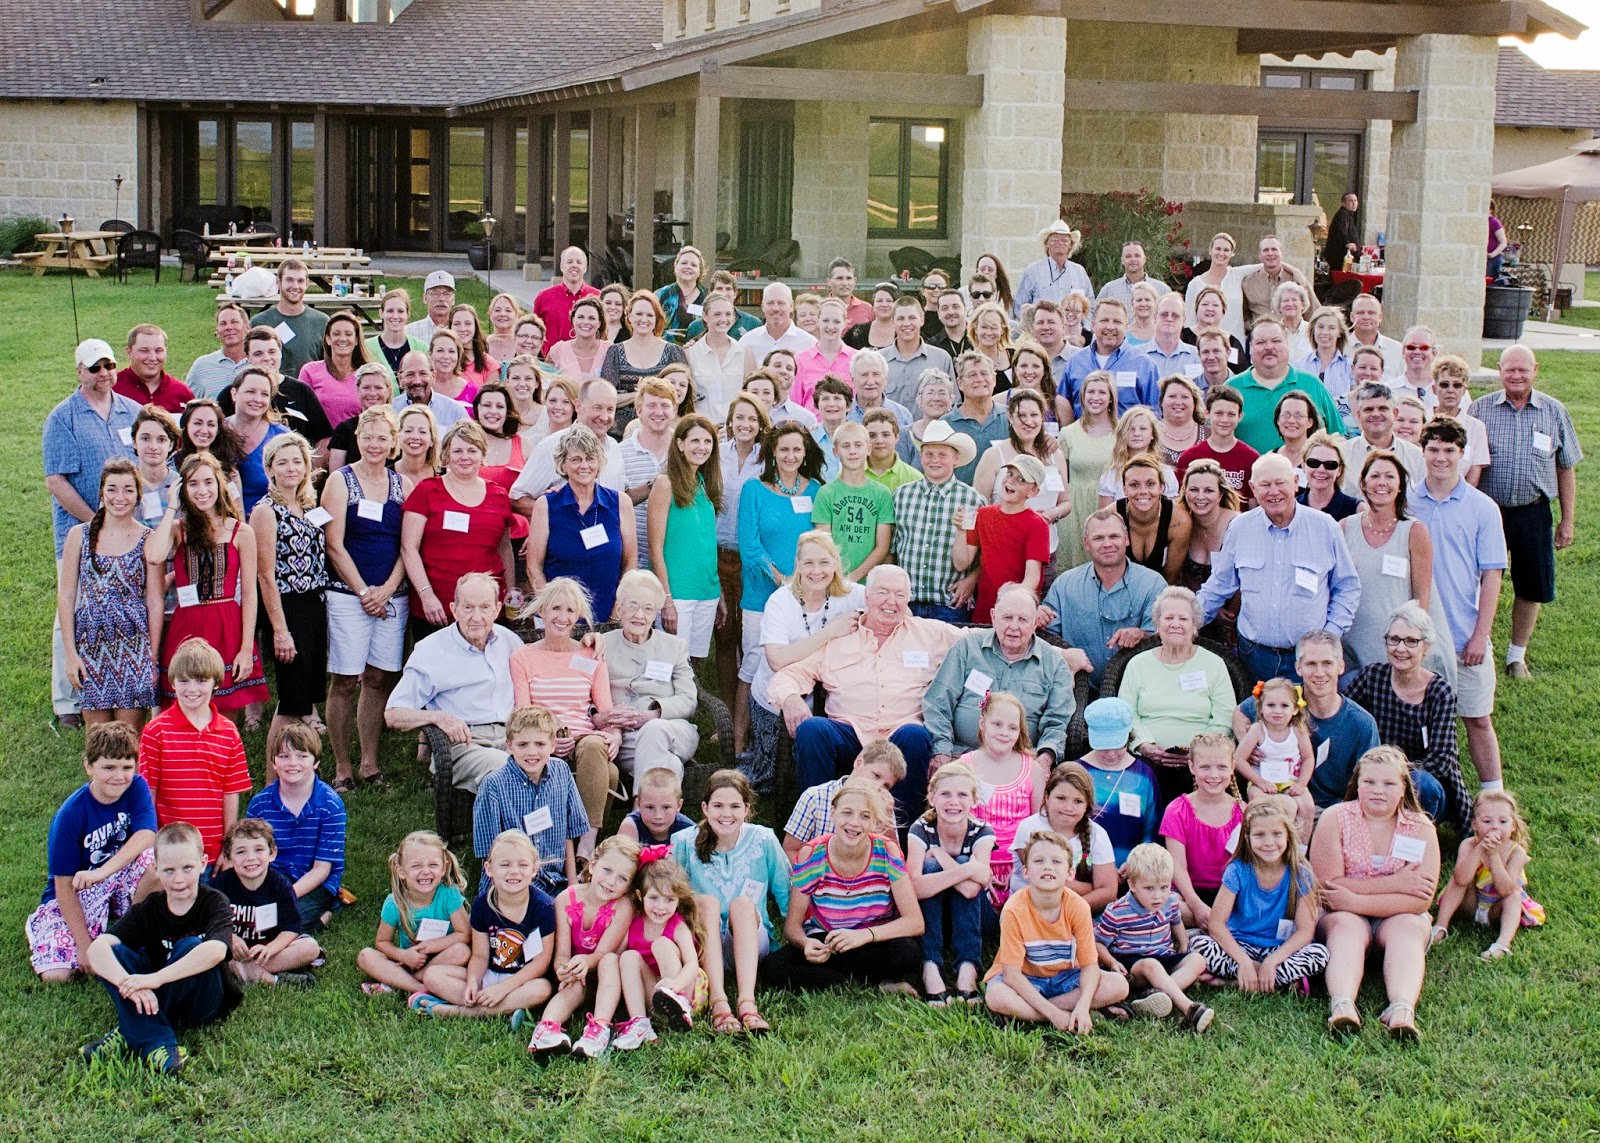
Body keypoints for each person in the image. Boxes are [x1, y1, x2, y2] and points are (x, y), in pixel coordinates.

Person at [771, 564, 962, 825]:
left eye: (899, 595)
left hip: (901, 736)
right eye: (883, 593)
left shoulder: (930, 634)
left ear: (908, 599)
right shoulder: (840, 636)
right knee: (813, 730)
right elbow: (790, 674)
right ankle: (820, 828)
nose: (891, 602)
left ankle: (901, 839)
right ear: (867, 597)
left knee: (916, 735)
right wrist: (791, 698)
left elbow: (976, 642)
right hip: (850, 734)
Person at [82, 822, 241, 1073]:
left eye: (187, 868)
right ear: (155, 869)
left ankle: (130, 1031)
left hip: (202, 1001)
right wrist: (131, 984)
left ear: (203, 863)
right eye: (168, 870)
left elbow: (217, 951)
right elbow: (96, 950)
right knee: (113, 952)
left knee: (191, 946)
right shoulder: (150, 907)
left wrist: (154, 979)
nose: (178, 879)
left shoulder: (214, 902)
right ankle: (155, 1041)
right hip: (153, 995)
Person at [1196, 453, 1360, 685]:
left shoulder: (1325, 527)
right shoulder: (1240, 528)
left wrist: (1329, 637)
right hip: (1252, 657)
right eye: (1265, 485)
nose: (1273, 492)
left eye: (1280, 483)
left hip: (1308, 661)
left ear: (1295, 482)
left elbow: (1347, 588)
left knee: (1307, 721)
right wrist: (1185, 621)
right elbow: (1218, 586)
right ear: (1253, 488)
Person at [1409, 418, 1510, 793]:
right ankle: (1429, 794)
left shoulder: (1482, 508)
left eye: (1449, 450)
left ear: (1463, 455)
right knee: (1420, 722)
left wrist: (1480, 636)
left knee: (1477, 718)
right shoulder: (1407, 502)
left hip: (1464, 633)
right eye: (1433, 449)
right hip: (1419, 636)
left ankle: (1493, 795)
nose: (1441, 458)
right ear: (1422, 452)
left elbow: (1492, 575)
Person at [1468, 345, 1581, 678]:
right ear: (1500, 370)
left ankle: (1516, 655)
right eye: (1509, 370)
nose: (1516, 376)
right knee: (1480, 581)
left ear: (1535, 369)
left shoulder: (1554, 411)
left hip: (1533, 513)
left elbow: (1566, 468)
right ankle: (1480, 645)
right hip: (1489, 513)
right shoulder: (1480, 409)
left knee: (1531, 584)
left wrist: (1567, 521)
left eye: (1523, 370)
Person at [1311, 746, 1439, 1041]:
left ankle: (1402, 1008)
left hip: (1398, 915)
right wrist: (1396, 882)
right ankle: (1343, 1005)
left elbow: (1420, 898)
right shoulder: (1335, 818)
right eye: (1369, 782)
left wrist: (1355, 897)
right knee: (1346, 927)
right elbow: (1328, 885)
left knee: (1408, 927)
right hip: (1343, 914)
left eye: (1388, 783)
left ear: (1404, 787)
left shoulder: (1420, 828)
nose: (1377, 791)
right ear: (1357, 783)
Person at [46, 338, 142, 724]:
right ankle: (69, 697)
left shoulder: (131, 411)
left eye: (108, 366)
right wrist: (95, 525)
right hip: (79, 530)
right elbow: (57, 480)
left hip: (127, 531)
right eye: (94, 367)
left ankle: (122, 684)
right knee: (71, 608)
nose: (103, 374)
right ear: (79, 372)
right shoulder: (63, 417)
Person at [763, 778, 924, 993]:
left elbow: (915, 922)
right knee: (773, 966)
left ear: (875, 823)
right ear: (833, 813)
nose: (854, 823)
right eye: (847, 812)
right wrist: (806, 944)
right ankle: (873, 985)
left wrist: (863, 935)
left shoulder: (887, 851)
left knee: (907, 952)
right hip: (828, 940)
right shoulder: (811, 854)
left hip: (872, 940)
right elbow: (792, 927)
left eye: (865, 816)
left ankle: (839, 980)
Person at [27, 723, 156, 983]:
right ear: (89, 765)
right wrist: (84, 946)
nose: (118, 776)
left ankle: (127, 932)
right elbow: (63, 885)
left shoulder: (137, 787)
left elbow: (147, 835)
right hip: (79, 889)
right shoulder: (70, 815)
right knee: (57, 976)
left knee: (155, 867)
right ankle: (43, 928)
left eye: (126, 767)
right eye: (109, 767)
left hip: (112, 875)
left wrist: (103, 872)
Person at [147, 455, 269, 713]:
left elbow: (249, 595)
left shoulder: (240, 532)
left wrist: (246, 648)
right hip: (187, 625)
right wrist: (171, 507)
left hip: (227, 624)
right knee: (183, 708)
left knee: (225, 712)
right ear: (183, 489)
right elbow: (155, 556)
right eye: (193, 484)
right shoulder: (179, 530)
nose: (202, 491)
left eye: (208, 482)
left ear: (219, 485)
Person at [668, 771, 786, 1035]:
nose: (726, 814)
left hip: (749, 941)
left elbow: (786, 893)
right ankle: (718, 1002)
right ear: (705, 808)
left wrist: (803, 937)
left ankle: (747, 1002)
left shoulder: (764, 839)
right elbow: (669, 897)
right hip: (702, 943)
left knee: (743, 905)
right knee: (706, 903)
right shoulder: (683, 842)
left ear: (747, 809)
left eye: (735, 806)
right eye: (718, 806)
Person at [509, 578, 620, 855]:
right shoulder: (522, 656)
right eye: (556, 608)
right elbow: (523, 710)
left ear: (578, 615)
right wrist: (551, 732)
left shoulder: (591, 654)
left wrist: (615, 734)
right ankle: (575, 844)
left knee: (595, 745)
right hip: (540, 738)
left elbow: (605, 711)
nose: (562, 617)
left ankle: (586, 843)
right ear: (542, 612)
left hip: (584, 737)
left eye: (570, 611)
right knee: (611, 775)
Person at [384, 573, 519, 795]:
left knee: (550, 769)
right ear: (454, 609)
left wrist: (593, 643)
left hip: (512, 737)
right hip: (465, 743)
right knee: (509, 770)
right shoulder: (431, 650)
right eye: (468, 608)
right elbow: (393, 714)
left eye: (484, 607)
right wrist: (439, 717)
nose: (477, 617)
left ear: (497, 609)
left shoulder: (508, 641)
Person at [983, 830, 1127, 1033]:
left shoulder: (1078, 906)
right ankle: (1060, 1015)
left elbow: (1089, 965)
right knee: (996, 996)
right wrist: (1053, 1014)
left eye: (1056, 862)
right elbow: (1012, 976)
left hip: (1066, 977)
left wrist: (1084, 1005)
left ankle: (1032, 1014)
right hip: (1027, 979)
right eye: (1039, 861)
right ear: (1026, 871)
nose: (1047, 866)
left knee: (1118, 985)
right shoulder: (1013, 909)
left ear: (1070, 873)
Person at [1345, 604, 1469, 831]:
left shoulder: (1438, 692)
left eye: (1411, 641)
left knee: (1423, 785)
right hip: (1373, 774)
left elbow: (1443, 760)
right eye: (1394, 639)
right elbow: (1342, 715)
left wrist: (1394, 775)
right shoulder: (1372, 677)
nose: (1401, 648)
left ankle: (1413, 839)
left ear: (1426, 648)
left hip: (1417, 776)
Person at [57, 458, 162, 728]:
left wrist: (151, 657)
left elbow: (154, 600)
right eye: (112, 488)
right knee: (99, 739)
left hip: (134, 645)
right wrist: (71, 654)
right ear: (102, 492)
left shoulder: (148, 538)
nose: (120, 497)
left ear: (138, 495)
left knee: (129, 739)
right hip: (91, 645)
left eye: (128, 489)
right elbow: (67, 596)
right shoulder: (78, 535)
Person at [1189, 799, 1327, 998]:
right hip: (1240, 946)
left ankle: (1237, 981)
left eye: (1277, 834)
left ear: (1288, 835)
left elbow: (1305, 931)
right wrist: (1244, 961)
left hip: (1280, 949)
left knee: (1319, 955)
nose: (1269, 842)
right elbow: (1217, 924)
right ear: (1247, 837)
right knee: (1199, 945)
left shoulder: (1301, 872)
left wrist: (1272, 962)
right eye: (1259, 835)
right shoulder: (1237, 870)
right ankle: (1272, 981)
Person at [416, 829, 557, 1020]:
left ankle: (460, 1012)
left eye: (523, 865)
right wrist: (473, 981)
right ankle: (506, 1009)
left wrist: (503, 989)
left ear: (534, 869)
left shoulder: (544, 907)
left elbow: (541, 961)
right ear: (489, 868)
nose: (514, 871)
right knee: (432, 975)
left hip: (522, 980)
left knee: (543, 989)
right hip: (489, 975)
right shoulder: (483, 904)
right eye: (505, 864)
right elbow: (480, 955)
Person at [1340, 448, 1453, 684]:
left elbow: (1422, 597)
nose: (1382, 483)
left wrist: (1410, 644)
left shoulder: (1414, 531)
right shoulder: (1343, 528)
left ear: (1401, 485)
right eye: (1375, 476)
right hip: (1353, 648)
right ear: (1363, 484)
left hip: (1398, 648)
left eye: (1390, 476)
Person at [138, 637, 252, 867]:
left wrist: (228, 847)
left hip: (211, 855)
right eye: (183, 681)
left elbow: (230, 794)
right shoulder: (155, 731)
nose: (191, 689)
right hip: (169, 853)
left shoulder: (228, 732)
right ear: (172, 682)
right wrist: (150, 849)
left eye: (201, 681)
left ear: (215, 683)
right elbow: (147, 793)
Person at [524, 835, 640, 1058]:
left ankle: (599, 1028)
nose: (611, 882)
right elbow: (562, 954)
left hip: (607, 979)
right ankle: (546, 1030)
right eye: (607, 870)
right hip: (578, 976)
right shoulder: (566, 899)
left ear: (628, 886)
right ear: (593, 864)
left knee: (608, 961)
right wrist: (564, 969)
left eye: (622, 878)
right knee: (574, 983)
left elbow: (603, 952)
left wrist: (585, 962)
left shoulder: (623, 907)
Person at [401, 420, 518, 638]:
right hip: (438, 606)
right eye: (457, 450)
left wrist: (510, 591)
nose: (465, 457)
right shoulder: (427, 491)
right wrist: (426, 595)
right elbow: (408, 547)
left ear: (482, 454)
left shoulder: (499, 495)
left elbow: (505, 549)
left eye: (472, 450)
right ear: (445, 455)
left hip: (486, 607)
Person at [1118, 587, 1236, 802]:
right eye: (1168, 617)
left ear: (1195, 627)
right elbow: (1126, 714)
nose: (1175, 624)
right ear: (1157, 624)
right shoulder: (1138, 664)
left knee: (1196, 777)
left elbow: (1225, 718)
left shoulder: (1213, 664)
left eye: (1183, 618)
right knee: (1142, 782)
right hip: (1148, 757)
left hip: (1201, 760)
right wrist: (1146, 746)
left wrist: (1199, 751)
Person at [248, 432, 328, 742]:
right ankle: (270, 783)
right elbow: (265, 577)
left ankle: (296, 766)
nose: (291, 468)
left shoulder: (309, 505)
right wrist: (280, 631)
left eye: (297, 461)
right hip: (287, 608)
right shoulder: (266, 511)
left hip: (313, 606)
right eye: (283, 462)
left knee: (302, 698)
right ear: (269, 469)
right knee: (291, 704)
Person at [1093, 843, 1215, 1031]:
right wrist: (1111, 963)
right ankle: (1189, 1009)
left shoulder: (1170, 901)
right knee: (1151, 964)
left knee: (1198, 960)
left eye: (1164, 887)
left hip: (1163, 957)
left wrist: (1183, 943)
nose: (1158, 896)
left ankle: (1159, 996)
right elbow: (1098, 943)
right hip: (1133, 965)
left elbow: (1176, 921)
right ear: (1132, 885)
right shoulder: (1117, 911)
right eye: (1149, 888)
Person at [596, 570, 702, 783]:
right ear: (619, 608)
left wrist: (651, 716)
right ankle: (646, 810)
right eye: (633, 605)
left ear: (655, 614)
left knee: (654, 730)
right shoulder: (602, 645)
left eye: (648, 608)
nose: (639, 615)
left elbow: (689, 700)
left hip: (673, 729)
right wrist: (600, 717)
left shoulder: (675, 646)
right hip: (627, 738)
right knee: (668, 764)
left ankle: (638, 811)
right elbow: (585, 694)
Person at [1040, 508, 1164, 688]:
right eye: (1098, 538)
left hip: (1138, 687)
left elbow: (1164, 639)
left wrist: (1142, 634)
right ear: (1086, 544)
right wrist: (1037, 618)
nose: (1107, 544)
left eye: (1114, 536)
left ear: (1126, 539)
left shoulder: (1152, 584)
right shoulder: (1065, 584)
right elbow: (1048, 638)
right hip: (1078, 688)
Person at [470, 705, 587, 894]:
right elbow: (489, 853)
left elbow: (568, 834)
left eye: (540, 744)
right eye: (523, 745)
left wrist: (572, 887)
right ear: (509, 746)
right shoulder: (493, 785)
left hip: (556, 882)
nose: (532, 752)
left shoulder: (561, 772)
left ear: (553, 745)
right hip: (511, 886)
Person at [525, 424, 636, 624]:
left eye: (590, 458)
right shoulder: (546, 506)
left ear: (599, 462)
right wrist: (552, 612)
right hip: (560, 619)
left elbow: (630, 563)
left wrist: (617, 611)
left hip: (610, 614)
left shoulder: (620, 503)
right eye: (576, 459)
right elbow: (533, 566)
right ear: (563, 465)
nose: (584, 466)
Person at [245, 722, 347, 931]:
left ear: (316, 761)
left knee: (288, 921)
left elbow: (322, 869)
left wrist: (287, 895)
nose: (292, 763)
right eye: (284, 756)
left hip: (316, 880)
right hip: (272, 876)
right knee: (250, 920)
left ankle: (323, 915)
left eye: (302, 756)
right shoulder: (260, 804)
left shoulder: (331, 805)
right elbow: (250, 853)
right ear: (274, 762)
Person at [906, 762, 993, 1005]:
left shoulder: (982, 831)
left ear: (974, 801)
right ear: (932, 798)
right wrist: (967, 869)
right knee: (932, 866)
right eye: (945, 794)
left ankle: (968, 966)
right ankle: (930, 965)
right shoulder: (921, 828)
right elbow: (913, 887)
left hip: (976, 915)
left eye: (962, 794)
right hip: (934, 914)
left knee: (948, 863)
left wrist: (940, 854)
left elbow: (970, 890)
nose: (953, 802)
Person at [1431, 789, 1544, 960]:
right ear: (1474, 824)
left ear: (1513, 826)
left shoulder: (1516, 852)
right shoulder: (1468, 845)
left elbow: (1506, 889)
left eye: (1502, 821)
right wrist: (1480, 849)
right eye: (1486, 821)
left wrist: (1493, 856)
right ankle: (1440, 927)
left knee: (1514, 898)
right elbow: (1461, 878)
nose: (1495, 826)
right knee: (1456, 880)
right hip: (1470, 904)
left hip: (1496, 909)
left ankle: (1502, 944)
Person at [354, 830, 470, 997]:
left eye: (433, 865)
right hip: (408, 961)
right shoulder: (394, 903)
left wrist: (431, 946)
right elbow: (382, 942)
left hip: (443, 959)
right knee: (365, 956)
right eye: (416, 866)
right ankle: (421, 989)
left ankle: (405, 982)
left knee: (462, 951)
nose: (425, 871)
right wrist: (404, 955)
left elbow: (464, 934)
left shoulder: (449, 895)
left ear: (443, 868)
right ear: (401, 871)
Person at [957, 691, 1047, 906]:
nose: (1004, 733)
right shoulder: (964, 766)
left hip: (1019, 866)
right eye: (997, 724)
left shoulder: (1032, 769)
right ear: (982, 723)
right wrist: (978, 866)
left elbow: (1039, 825)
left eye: (1012, 727)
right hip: (977, 861)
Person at [646, 415, 724, 661]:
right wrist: (666, 599)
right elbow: (655, 548)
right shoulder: (665, 484)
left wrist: (718, 592)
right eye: (695, 441)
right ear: (680, 444)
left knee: (696, 663)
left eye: (707, 442)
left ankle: (691, 703)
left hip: (707, 590)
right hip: (677, 593)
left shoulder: (705, 485)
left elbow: (707, 545)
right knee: (670, 663)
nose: (702, 447)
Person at [211, 818, 321, 988]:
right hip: (234, 952)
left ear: (272, 853)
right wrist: (230, 937)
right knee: (209, 950)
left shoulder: (281, 886)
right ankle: (274, 981)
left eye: (258, 849)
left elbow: (291, 928)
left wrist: (271, 948)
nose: (250, 858)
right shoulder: (221, 885)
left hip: (268, 951)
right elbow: (208, 921)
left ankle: (246, 971)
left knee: (310, 947)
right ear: (228, 857)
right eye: (241, 852)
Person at [612, 851, 708, 1043]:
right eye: (654, 898)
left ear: (679, 900)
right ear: (640, 896)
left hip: (686, 988)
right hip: (656, 994)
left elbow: (691, 964)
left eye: (669, 899)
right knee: (628, 957)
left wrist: (677, 984)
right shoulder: (634, 922)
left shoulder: (677, 926)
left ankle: (679, 1004)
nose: (661, 907)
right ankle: (640, 1023)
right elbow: (618, 958)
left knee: (662, 944)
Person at [1158, 733, 1243, 929]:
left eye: (1221, 767)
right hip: (1188, 895)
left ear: (1232, 766)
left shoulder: (1244, 813)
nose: (1214, 775)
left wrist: (1223, 907)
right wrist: (1196, 906)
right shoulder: (1177, 810)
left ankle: (1216, 926)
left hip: (1228, 894)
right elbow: (1177, 867)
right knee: (1165, 905)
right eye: (1205, 767)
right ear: (1192, 767)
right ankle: (1212, 926)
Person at [952, 455, 1050, 624]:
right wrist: (961, 530)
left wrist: (1012, 606)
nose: (1011, 481)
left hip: (1015, 617)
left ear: (1033, 492)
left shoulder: (1037, 524)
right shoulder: (983, 514)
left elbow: (1031, 579)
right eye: (1010, 474)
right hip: (983, 612)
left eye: (1021, 480)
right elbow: (961, 563)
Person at [1006, 762, 1116, 910]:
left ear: (1087, 805)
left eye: (1078, 801)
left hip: (1075, 911)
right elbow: (1045, 880)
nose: (1068, 808)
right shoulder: (1030, 828)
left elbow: (1108, 892)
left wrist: (1068, 911)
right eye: (1061, 798)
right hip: (1028, 910)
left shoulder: (1097, 834)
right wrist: (1090, 887)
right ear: (1047, 797)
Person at [1230, 318, 1343, 453]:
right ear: (1249, 348)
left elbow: (1338, 437)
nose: (1269, 347)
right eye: (1260, 342)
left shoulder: (1312, 385)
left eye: (1276, 341)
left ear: (1287, 344)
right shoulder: (1232, 389)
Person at [1075, 697, 1160, 866]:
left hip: (1133, 871)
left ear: (1129, 737)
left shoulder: (1144, 775)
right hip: (1082, 869)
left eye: (1117, 746)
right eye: (1103, 747)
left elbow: (1152, 831)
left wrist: (1135, 864)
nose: (1111, 754)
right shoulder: (1075, 773)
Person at [1165, 460, 1241, 644]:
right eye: (1194, 490)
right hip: (1195, 613)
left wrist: (1232, 609)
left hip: (1234, 618)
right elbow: (1175, 576)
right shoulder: (1181, 524)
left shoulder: (1236, 524)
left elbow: (1248, 576)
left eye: (1208, 490)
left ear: (1220, 494)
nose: (1200, 497)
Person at [1234, 677, 1316, 843]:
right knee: (1260, 803)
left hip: (1290, 780)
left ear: (1295, 709)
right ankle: (1258, 844)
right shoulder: (1258, 730)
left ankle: (1300, 850)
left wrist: (1301, 783)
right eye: (1271, 705)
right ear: (1261, 708)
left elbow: (1308, 758)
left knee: (1307, 806)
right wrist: (1259, 781)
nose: (1277, 711)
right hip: (1261, 780)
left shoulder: (1298, 731)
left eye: (1284, 706)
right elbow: (1239, 759)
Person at [812, 422, 895, 582]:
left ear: (868, 449)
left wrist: (854, 577)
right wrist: (837, 577)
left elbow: (882, 546)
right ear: (835, 451)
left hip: (868, 583)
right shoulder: (826, 493)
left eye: (858, 445)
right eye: (845, 446)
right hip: (833, 579)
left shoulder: (881, 493)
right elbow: (823, 541)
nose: (852, 451)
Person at [1056, 371, 1117, 569]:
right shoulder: (1068, 433)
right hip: (1074, 510)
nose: (1095, 398)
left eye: (1102, 392)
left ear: (1110, 399)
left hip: (1109, 506)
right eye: (1090, 392)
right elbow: (1059, 474)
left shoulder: (1122, 432)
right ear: (1082, 396)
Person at [603, 291, 687, 433]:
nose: (644, 319)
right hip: (619, 430)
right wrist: (640, 394)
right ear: (629, 316)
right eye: (639, 314)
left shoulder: (674, 352)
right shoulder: (615, 352)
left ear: (657, 319)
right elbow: (607, 397)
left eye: (649, 315)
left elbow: (683, 394)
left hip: (662, 426)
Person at [1061, 299, 1160, 417]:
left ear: (1126, 326)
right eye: (1104, 320)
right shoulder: (1075, 362)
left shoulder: (1145, 365)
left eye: (1117, 322)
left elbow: (1155, 414)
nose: (1110, 327)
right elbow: (1063, 404)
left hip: (1126, 435)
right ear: (1093, 324)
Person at [617, 378, 676, 565]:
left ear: (674, 410)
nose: (659, 412)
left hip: (676, 559)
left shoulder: (686, 450)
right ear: (639, 411)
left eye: (665, 405)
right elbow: (615, 502)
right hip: (634, 560)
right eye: (651, 405)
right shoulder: (619, 453)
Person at [1340, 383, 1425, 494]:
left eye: (1382, 408)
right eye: (1369, 409)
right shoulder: (1342, 454)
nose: (1375, 414)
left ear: (1395, 413)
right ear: (1359, 415)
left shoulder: (1417, 457)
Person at [249, 259, 327, 379]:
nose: (295, 286)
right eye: (289, 280)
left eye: (300, 281)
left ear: (307, 283)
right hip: (268, 391)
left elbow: (329, 367)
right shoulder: (259, 322)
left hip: (308, 392)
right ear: (278, 282)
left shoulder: (321, 322)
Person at [941, 352, 1010, 485]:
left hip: (1003, 501)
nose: (979, 379)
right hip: (961, 502)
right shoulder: (945, 425)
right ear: (960, 383)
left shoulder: (1011, 418)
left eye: (984, 373)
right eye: (972, 375)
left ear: (994, 379)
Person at [297, 311, 370, 428]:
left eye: (348, 334)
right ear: (328, 339)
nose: (342, 339)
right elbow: (300, 414)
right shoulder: (310, 371)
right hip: (319, 443)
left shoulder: (367, 374)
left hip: (357, 443)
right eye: (336, 334)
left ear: (356, 340)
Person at [882, 295, 954, 410]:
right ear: (892, 322)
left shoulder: (941, 358)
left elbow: (953, 402)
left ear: (922, 320)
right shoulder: (880, 361)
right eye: (900, 318)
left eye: (912, 318)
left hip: (931, 427)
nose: (906, 324)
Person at [326, 364, 400, 472]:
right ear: (358, 389)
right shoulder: (344, 429)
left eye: (378, 388)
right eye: (366, 387)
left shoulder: (399, 428)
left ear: (388, 391)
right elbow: (335, 474)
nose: (372, 393)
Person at [1097, 408, 1178, 505]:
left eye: (1143, 428)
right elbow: (1106, 516)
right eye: (1131, 429)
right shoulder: (1111, 476)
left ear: (1153, 434)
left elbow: (1173, 514)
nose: (1137, 434)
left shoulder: (1166, 473)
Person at [686, 294, 746, 423]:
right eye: (717, 314)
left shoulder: (744, 353)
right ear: (705, 316)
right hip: (702, 428)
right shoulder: (691, 353)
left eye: (728, 314)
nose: (723, 319)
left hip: (734, 429)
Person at [1014, 220, 1093, 316]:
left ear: (1070, 245)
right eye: (1055, 240)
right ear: (1047, 244)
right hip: (1042, 328)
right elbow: (1020, 306)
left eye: (1064, 240)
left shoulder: (1079, 272)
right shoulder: (1032, 271)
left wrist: (1084, 329)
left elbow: (1090, 306)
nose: (1060, 243)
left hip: (1072, 329)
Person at [1428, 356, 1488, 484]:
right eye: (1444, 385)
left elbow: (1474, 477)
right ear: (1434, 389)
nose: (1450, 390)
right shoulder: (1422, 420)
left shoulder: (1476, 428)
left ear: (1464, 390)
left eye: (1457, 385)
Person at [1113, 456, 1176, 573]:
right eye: (1134, 485)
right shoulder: (1112, 517)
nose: (1143, 491)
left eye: (1150, 484)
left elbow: (1172, 576)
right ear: (1124, 490)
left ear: (1161, 487)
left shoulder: (1178, 520)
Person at [113, 324, 193, 414]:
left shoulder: (182, 392)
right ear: (129, 352)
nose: (152, 357)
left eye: (158, 351)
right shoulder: (112, 388)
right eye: (144, 350)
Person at [1240, 236, 1317, 326]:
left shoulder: (1296, 280)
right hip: (1259, 335)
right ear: (1259, 255)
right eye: (1265, 250)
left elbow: (1313, 311)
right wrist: (1249, 325)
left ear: (1282, 252)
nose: (1270, 253)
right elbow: (1242, 312)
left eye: (1274, 249)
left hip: (1289, 335)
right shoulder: (1248, 282)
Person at [1298, 305, 1354, 421]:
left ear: (1339, 333)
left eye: (1331, 328)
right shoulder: (1299, 366)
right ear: (1313, 330)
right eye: (1320, 327)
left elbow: (1356, 400)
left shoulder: (1350, 366)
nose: (1325, 332)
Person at [533, 249, 599, 347]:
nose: (574, 265)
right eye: (569, 262)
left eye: (579, 262)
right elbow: (534, 331)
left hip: (588, 359)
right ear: (562, 267)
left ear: (585, 268)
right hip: (551, 360)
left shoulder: (598, 297)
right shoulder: (544, 297)